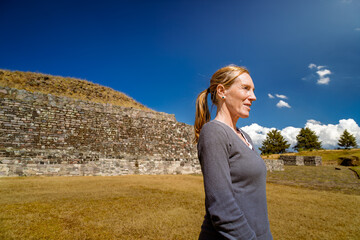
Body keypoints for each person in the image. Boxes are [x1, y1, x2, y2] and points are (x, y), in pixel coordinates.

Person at [194, 65, 273, 240]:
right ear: (222, 91)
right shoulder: (214, 132)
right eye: (245, 88)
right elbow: (221, 208)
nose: (253, 97)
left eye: (253, 90)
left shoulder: (245, 136)